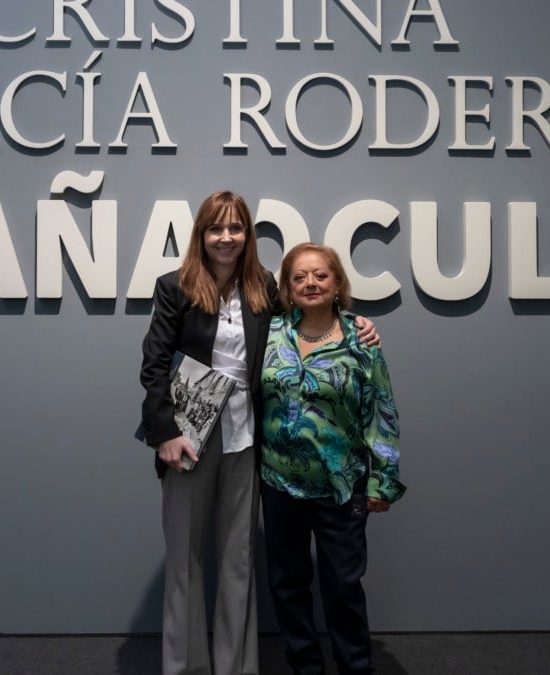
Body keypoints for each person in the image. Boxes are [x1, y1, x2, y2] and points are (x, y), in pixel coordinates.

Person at [140, 192, 378, 675]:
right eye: (216, 229)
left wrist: (354, 323)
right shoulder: (175, 287)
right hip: (187, 440)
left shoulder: (263, 287)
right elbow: (153, 366)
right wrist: (164, 432)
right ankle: (184, 669)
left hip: (247, 442)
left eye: (236, 228)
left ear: (248, 235)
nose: (226, 238)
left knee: (239, 561)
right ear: (201, 235)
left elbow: (305, 321)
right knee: (185, 562)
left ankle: (236, 668)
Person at [259, 243, 405, 675]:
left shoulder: (361, 339)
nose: (310, 283)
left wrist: (385, 479)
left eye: (320, 275)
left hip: (342, 485)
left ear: (338, 283)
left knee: (341, 586)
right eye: (299, 277)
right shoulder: (268, 333)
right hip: (279, 483)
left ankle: (355, 667)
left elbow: (382, 411)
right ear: (286, 287)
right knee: (287, 587)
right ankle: (305, 667)